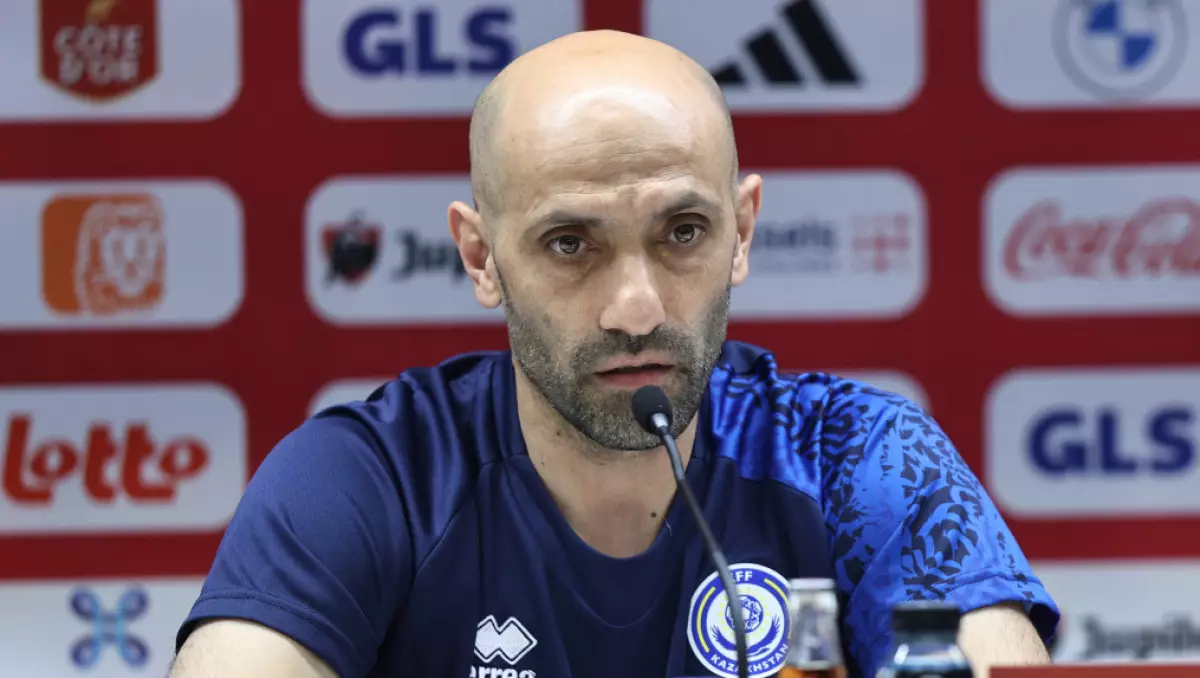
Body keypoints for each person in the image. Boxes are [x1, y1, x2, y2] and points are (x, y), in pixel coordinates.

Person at [169, 29, 1059, 678]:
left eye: (683, 231)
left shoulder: (862, 458)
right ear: (481, 257)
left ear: (743, 232)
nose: (637, 309)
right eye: (570, 244)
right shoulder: (368, 480)